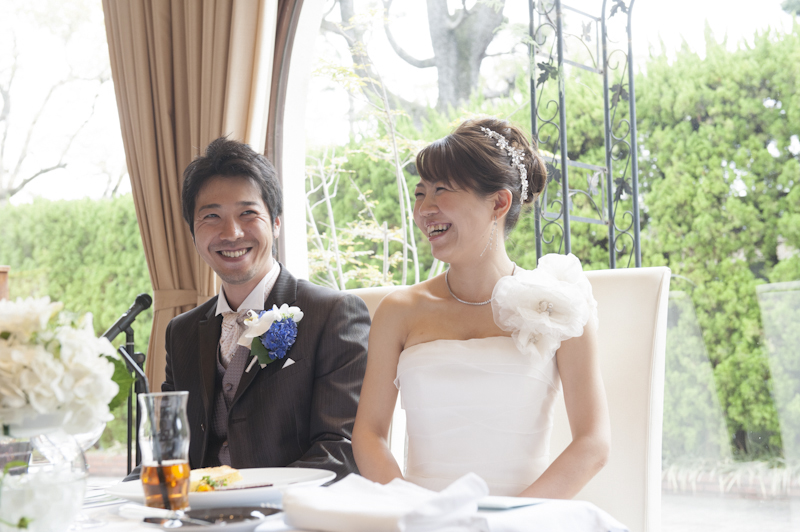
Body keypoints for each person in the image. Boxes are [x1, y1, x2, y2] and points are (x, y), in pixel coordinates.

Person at [352, 117, 611, 497]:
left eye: (441, 190)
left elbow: (593, 443)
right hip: (422, 516)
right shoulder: (399, 311)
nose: (424, 209)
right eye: (420, 193)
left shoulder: (559, 305)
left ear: (498, 203)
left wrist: (506, 520)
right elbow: (369, 434)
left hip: (525, 516)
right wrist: (417, 510)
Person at [162, 137, 370, 480]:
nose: (231, 233)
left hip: (290, 508)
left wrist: (252, 495)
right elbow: (168, 449)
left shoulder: (334, 314)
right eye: (211, 216)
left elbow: (342, 449)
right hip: (199, 508)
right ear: (193, 233)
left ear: (275, 223)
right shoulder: (181, 331)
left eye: (248, 213)